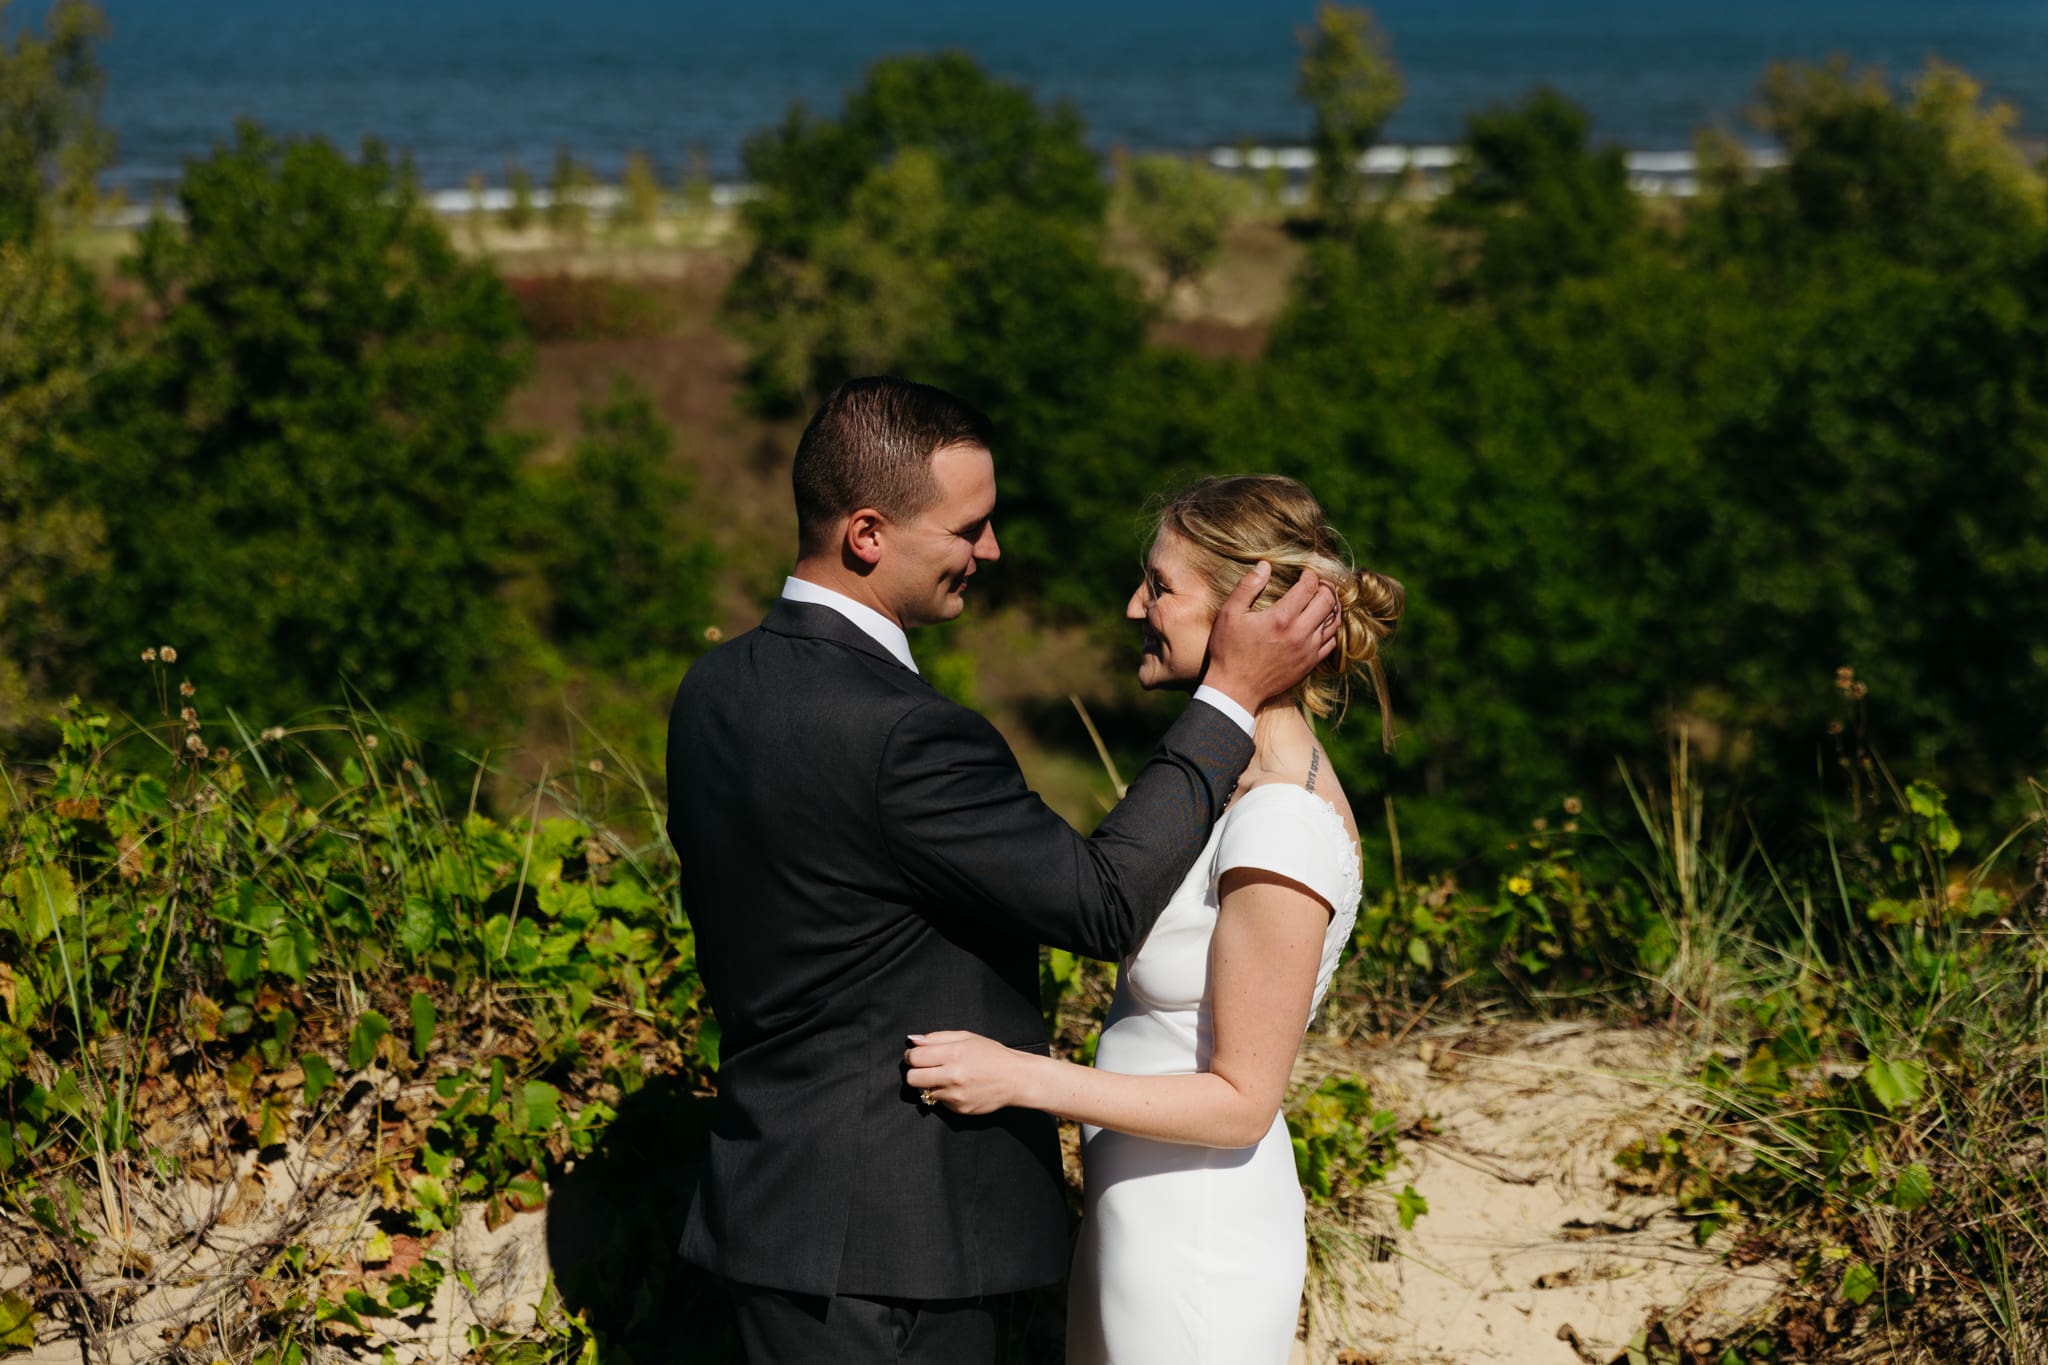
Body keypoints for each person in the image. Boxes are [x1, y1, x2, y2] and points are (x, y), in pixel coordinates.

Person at [664, 379, 1340, 1364]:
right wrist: (1229, 698)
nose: (991, 552)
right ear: (865, 534)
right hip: (898, 1247)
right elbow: (1101, 903)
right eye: (968, 528)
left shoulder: (714, 688)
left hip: (766, 1212)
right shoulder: (900, 731)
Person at [905, 474, 1405, 1365]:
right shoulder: (1235, 791)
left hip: (1196, 1245)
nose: (1136, 604)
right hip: (1143, 1225)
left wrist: (1019, 1076)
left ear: (1245, 610)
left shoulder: (1280, 820)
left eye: (1161, 585)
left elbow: (1242, 1103)